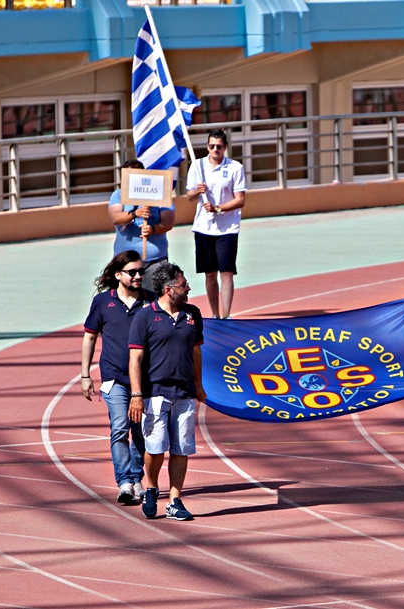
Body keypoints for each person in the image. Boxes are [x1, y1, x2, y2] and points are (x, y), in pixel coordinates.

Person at [128, 262, 205, 521]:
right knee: (156, 447)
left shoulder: (193, 314)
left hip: (184, 394)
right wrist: (137, 395)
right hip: (155, 394)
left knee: (182, 448)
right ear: (169, 290)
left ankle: (175, 500)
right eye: (184, 285)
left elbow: (196, 351)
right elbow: (135, 358)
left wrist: (199, 385)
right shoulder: (145, 316)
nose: (189, 288)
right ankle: (151, 487)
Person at [81, 251, 151, 505]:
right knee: (120, 427)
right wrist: (85, 374)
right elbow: (90, 336)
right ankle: (124, 481)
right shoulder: (102, 303)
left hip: (144, 381)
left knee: (141, 431)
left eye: (140, 271)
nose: (138, 276)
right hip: (113, 377)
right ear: (118, 275)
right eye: (132, 272)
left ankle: (136, 478)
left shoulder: (150, 302)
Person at [187, 129, 247, 319]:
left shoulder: (235, 168)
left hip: (227, 228)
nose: (215, 150)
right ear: (207, 146)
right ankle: (215, 314)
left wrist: (218, 208)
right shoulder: (197, 166)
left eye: (219, 147)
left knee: (227, 273)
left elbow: (240, 200)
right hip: (204, 228)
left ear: (225, 147)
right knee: (210, 274)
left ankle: (226, 315)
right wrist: (197, 191)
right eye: (211, 146)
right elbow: (189, 196)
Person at [108, 160, 175, 293]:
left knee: (156, 300)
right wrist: (134, 214)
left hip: (155, 261)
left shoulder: (158, 193)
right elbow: (115, 218)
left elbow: (169, 221)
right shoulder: (118, 195)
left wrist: (153, 229)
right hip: (125, 262)